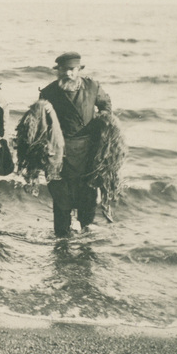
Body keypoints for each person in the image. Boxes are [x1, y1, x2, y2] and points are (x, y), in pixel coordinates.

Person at [39, 52, 112, 237]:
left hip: (88, 151)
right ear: (58, 70)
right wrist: (44, 110)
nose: (67, 74)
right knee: (61, 196)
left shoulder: (92, 87)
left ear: (79, 69)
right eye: (63, 70)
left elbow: (106, 106)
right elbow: (40, 123)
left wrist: (102, 121)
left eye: (72, 69)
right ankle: (62, 238)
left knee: (87, 194)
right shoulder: (49, 92)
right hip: (60, 151)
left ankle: (86, 235)